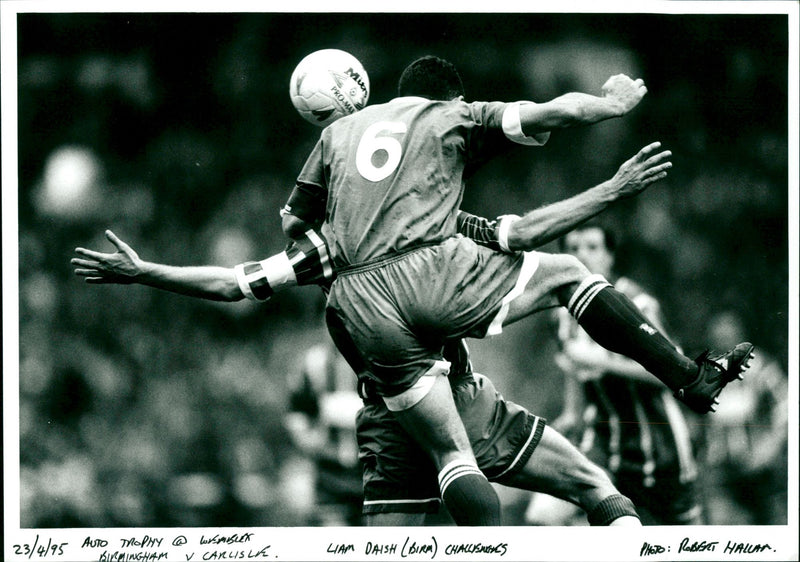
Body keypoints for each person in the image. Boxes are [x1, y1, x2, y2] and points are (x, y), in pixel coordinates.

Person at [73, 142, 674, 526]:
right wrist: (610, 191)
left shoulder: (325, 248)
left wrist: (148, 272)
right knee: (595, 487)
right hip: (461, 406)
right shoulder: (435, 222)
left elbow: (233, 283)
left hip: (386, 419)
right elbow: (527, 231)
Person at [280, 55, 753, 525]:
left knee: (433, 521)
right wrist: (610, 115)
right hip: (462, 405)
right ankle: (689, 377)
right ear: (452, 100)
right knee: (581, 484)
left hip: (387, 416)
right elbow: (549, 126)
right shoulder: (452, 143)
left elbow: (254, 264)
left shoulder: (334, 238)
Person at [526, 223, 703, 526]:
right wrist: (539, 442)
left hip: (657, 447)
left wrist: (604, 361)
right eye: (573, 248)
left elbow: (676, 375)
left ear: (610, 257)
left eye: (592, 248)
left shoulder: (638, 303)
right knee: (544, 516)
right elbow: (574, 403)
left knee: (684, 537)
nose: (581, 255)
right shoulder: (561, 317)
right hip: (603, 445)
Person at [700, 310, 788, 525]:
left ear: (741, 332)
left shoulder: (762, 367)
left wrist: (770, 446)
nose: (723, 335)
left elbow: (787, 407)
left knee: (774, 528)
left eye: (729, 329)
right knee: (724, 529)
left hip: (761, 468)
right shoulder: (704, 371)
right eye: (718, 330)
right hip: (719, 470)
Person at [284, 336, 364, 526]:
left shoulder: (377, 357)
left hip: (374, 471)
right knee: (335, 544)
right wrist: (307, 440)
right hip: (329, 473)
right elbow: (296, 411)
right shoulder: (313, 362)